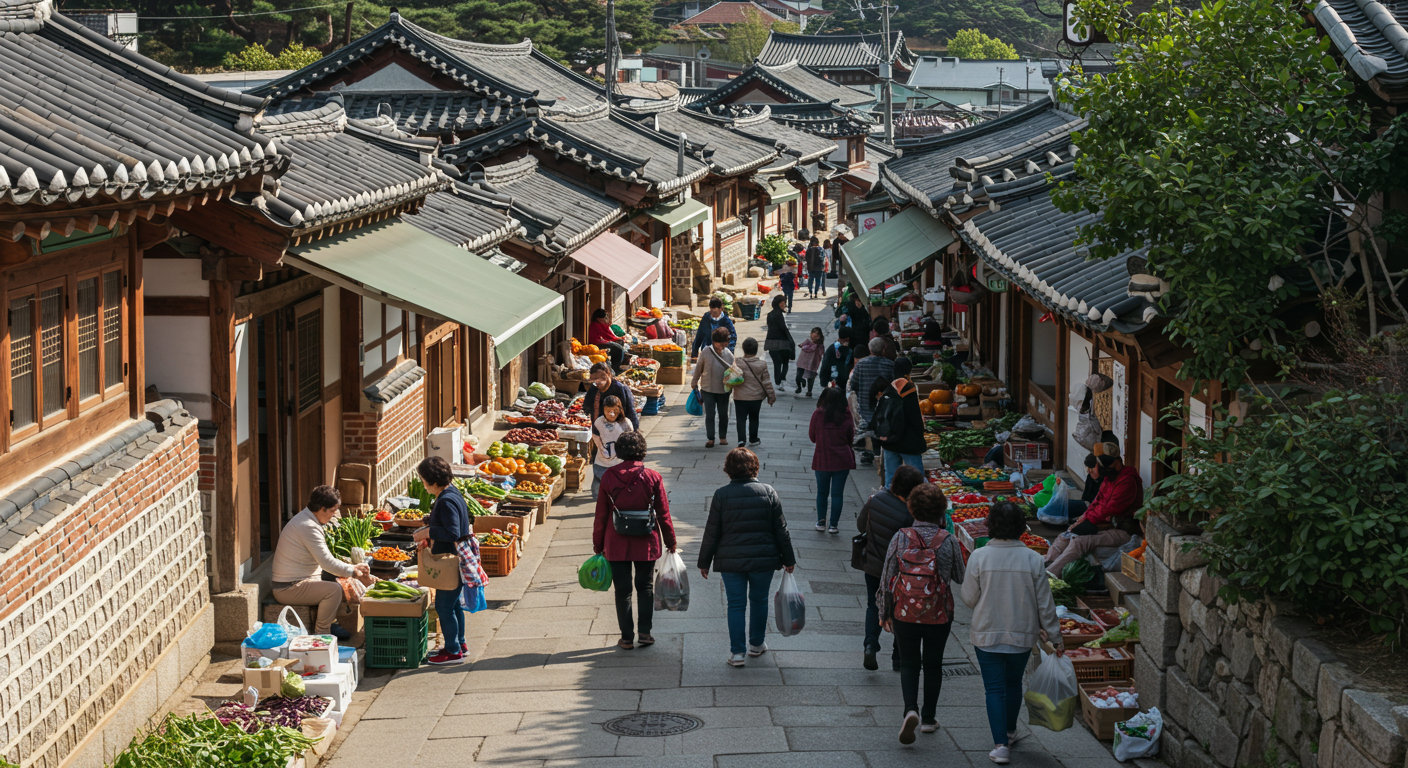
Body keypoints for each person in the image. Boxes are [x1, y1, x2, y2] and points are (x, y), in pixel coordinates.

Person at [961, 501, 1064, 764]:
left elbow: (969, 599)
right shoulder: (1032, 558)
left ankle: (1001, 745)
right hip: (1022, 635)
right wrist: (1056, 637)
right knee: (1013, 683)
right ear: (1021, 527)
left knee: (994, 688)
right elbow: (1045, 603)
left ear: (991, 525)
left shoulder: (980, 556)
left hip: (986, 634)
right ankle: (1009, 730)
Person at [877, 483, 965, 743]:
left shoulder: (901, 537)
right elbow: (960, 576)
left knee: (909, 663)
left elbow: (887, 576)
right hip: (938, 613)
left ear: (911, 507)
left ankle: (910, 710)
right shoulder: (948, 540)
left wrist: (884, 611)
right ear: (941, 511)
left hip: (904, 610)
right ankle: (928, 718)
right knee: (934, 664)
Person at [697, 448, 797, 667]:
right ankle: (756, 644)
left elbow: (712, 531)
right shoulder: (768, 492)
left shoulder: (722, 495)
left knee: (735, 604)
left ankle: (737, 653)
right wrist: (788, 559)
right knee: (759, 600)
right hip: (763, 559)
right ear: (755, 467)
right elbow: (781, 530)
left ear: (728, 469)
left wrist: (704, 562)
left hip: (731, 560)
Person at [592, 431, 678, 650]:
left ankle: (627, 637)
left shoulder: (609, 476)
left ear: (620, 451)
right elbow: (663, 513)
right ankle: (645, 633)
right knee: (645, 586)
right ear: (642, 450)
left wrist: (598, 544)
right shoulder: (652, 476)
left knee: (622, 590)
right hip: (646, 541)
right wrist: (670, 541)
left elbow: (601, 515)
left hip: (616, 541)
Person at [270, 485, 373, 641]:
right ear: (322, 509)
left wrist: (351, 567)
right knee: (333, 590)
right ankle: (322, 632)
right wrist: (353, 571)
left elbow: (325, 559)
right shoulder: (308, 526)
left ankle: (332, 622)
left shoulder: (306, 519)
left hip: (300, 580)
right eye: (332, 511)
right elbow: (327, 562)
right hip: (288, 587)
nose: (333, 515)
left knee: (338, 581)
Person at [856, 464, 925, 671]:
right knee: (900, 610)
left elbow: (861, 526)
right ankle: (898, 657)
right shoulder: (910, 516)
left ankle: (870, 644)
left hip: (873, 566)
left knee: (873, 605)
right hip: (898, 572)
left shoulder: (874, 500)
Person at [411, 456, 477, 665]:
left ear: (432, 480)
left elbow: (452, 531)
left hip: (449, 561)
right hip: (455, 559)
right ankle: (460, 643)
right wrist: (430, 522)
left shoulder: (446, 499)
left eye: (423, 480)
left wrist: (427, 531)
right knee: (454, 604)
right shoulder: (450, 492)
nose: (423, 484)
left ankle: (453, 651)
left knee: (444, 606)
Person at [1044, 445, 1142, 575]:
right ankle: (1045, 563)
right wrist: (1083, 518)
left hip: (1123, 530)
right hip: (1105, 525)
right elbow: (1097, 502)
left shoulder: (1127, 481)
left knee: (1079, 542)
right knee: (1065, 536)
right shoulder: (1109, 478)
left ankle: (1049, 574)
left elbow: (1106, 510)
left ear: (1115, 463)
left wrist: (1086, 520)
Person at [874, 357, 926, 489]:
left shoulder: (890, 386)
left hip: (890, 441)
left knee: (891, 481)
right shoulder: (907, 386)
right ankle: (916, 505)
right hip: (908, 442)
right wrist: (920, 435)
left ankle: (888, 507)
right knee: (917, 480)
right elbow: (914, 416)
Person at [809, 387, 855, 534]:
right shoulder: (847, 416)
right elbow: (850, 438)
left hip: (822, 458)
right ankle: (833, 525)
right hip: (842, 459)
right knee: (837, 494)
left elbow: (812, 437)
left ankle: (821, 522)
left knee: (822, 492)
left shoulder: (818, 414)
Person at [850, 337, 895, 464]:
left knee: (868, 427)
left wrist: (861, 393)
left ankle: (868, 453)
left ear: (870, 349)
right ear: (883, 349)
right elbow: (894, 385)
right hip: (884, 403)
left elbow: (854, 383)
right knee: (881, 426)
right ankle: (879, 453)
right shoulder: (890, 364)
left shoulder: (861, 364)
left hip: (865, 402)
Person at [691, 326, 736, 448]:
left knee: (723, 415)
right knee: (710, 414)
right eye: (719, 343)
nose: (722, 345)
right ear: (713, 342)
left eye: (724, 343)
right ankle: (711, 438)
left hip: (724, 390)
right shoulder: (706, 351)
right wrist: (694, 382)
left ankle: (723, 437)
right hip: (708, 389)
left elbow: (733, 371)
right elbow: (699, 368)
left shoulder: (729, 354)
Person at [730, 337, 776, 447]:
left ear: (743, 349)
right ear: (756, 350)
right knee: (754, 418)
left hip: (740, 397)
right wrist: (771, 396)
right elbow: (767, 382)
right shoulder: (762, 364)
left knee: (740, 419)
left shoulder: (737, 362)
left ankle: (741, 440)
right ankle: (753, 438)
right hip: (756, 398)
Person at [591, 394, 634, 499]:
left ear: (619, 409)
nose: (611, 414)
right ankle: (600, 501)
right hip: (602, 460)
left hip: (618, 461)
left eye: (614, 410)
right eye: (607, 411)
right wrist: (600, 447)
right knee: (598, 486)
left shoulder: (625, 423)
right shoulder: (599, 422)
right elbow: (595, 435)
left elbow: (631, 440)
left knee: (618, 485)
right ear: (603, 409)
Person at [582, 362, 640, 431]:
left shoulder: (620, 389)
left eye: (602, 378)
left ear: (608, 374)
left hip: (618, 430)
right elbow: (586, 407)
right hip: (600, 430)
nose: (598, 382)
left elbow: (630, 413)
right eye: (595, 380)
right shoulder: (594, 389)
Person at [763, 294, 795, 386]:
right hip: (782, 342)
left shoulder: (769, 314)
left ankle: (778, 382)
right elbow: (783, 328)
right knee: (785, 362)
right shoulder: (780, 315)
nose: (784, 304)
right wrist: (791, 341)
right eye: (784, 302)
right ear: (780, 303)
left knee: (776, 363)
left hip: (771, 342)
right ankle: (782, 379)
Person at [819, 326, 853, 391]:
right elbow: (825, 366)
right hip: (837, 382)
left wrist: (824, 382)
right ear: (847, 339)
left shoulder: (832, 348)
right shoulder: (848, 349)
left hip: (836, 382)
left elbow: (825, 365)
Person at [795, 327, 823, 396]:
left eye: (816, 336)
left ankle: (809, 391)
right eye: (813, 336)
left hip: (812, 363)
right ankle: (799, 386)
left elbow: (821, 353)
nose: (814, 338)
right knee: (798, 377)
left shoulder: (820, 345)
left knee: (811, 377)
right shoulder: (807, 342)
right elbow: (801, 346)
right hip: (802, 362)